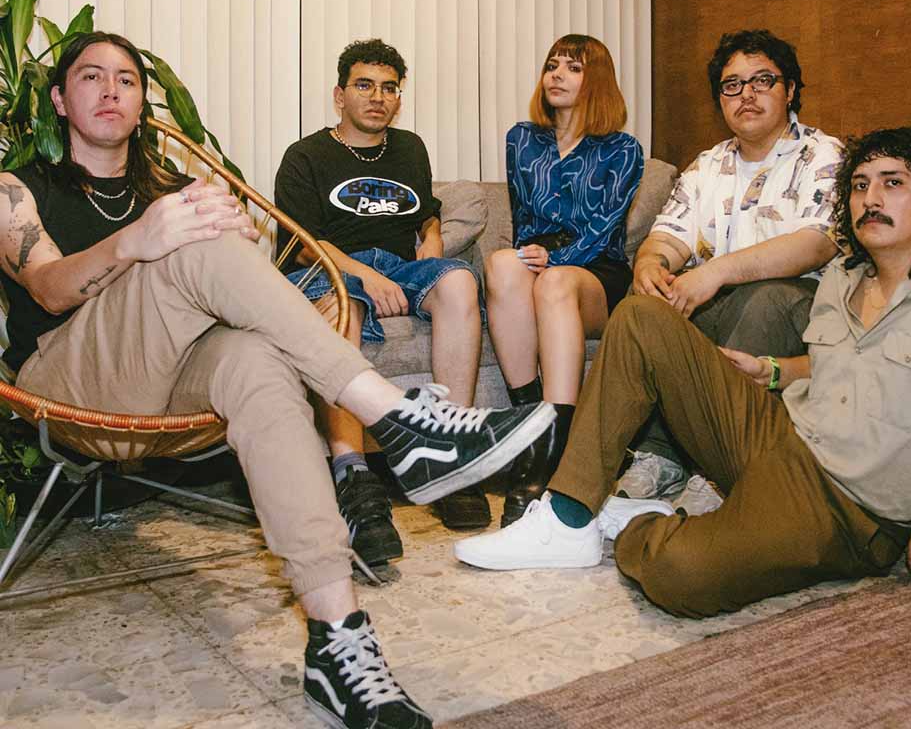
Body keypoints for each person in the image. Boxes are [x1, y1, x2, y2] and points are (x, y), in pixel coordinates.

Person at [0, 31, 554, 729]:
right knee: (191, 238)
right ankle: (399, 418)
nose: (111, 89)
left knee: (256, 365)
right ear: (59, 98)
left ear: (142, 105)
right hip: (68, 382)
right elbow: (48, 289)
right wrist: (140, 240)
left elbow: (225, 299)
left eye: (127, 80)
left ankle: (337, 639)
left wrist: (219, 241)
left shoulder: (169, 190)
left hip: (166, 378)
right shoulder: (17, 190)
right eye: (91, 77)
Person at [454, 128, 911, 619]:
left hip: (846, 510)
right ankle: (570, 515)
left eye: (892, 183)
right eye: (860, 185)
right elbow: (845, 369)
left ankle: (635, 521)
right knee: (642, 316)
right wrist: (771, 371)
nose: (871, 198)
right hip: (779, 434)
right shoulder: (843, 278)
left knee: (679, 574)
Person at [275, 39, 487, 560]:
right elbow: (303, 244)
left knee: (460, 282)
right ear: (339, 95)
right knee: (343, 308)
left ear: (399, 98)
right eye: (364, 86)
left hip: (400, 267)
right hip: (331, 267)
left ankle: (447, 451)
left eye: (389, 88)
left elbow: (427, 213)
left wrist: (431, 241)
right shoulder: (305, 156)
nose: (378, 97)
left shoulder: (410, 148)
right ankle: (353, 476)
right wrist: (366, 277)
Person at [618, 29, 842, 505]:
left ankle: (718, 466)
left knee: (764, 299)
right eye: (732, 85)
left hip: (801, 309)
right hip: (719, 304)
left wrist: (715, 273)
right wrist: (651, 266)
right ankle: (660, 455)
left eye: (763, 80)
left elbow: (816, 244)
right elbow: (667, 237)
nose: (747, 94)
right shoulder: (707, 166)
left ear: (790, 89)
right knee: (648, 306)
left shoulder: (822, 155)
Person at [484, 34, 643, 526]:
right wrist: (531, 257)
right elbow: (522, 218)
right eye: (552, 65)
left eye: (573, 67)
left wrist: (555, 260)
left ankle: (556, 446)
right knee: (500, 264)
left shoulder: (623, 149)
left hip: (594, 269)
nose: (556, 74)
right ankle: (533, 427)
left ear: (597, 81)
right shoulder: (521, 139)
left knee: (553, 284)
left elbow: (604, 228)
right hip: (539, 260)